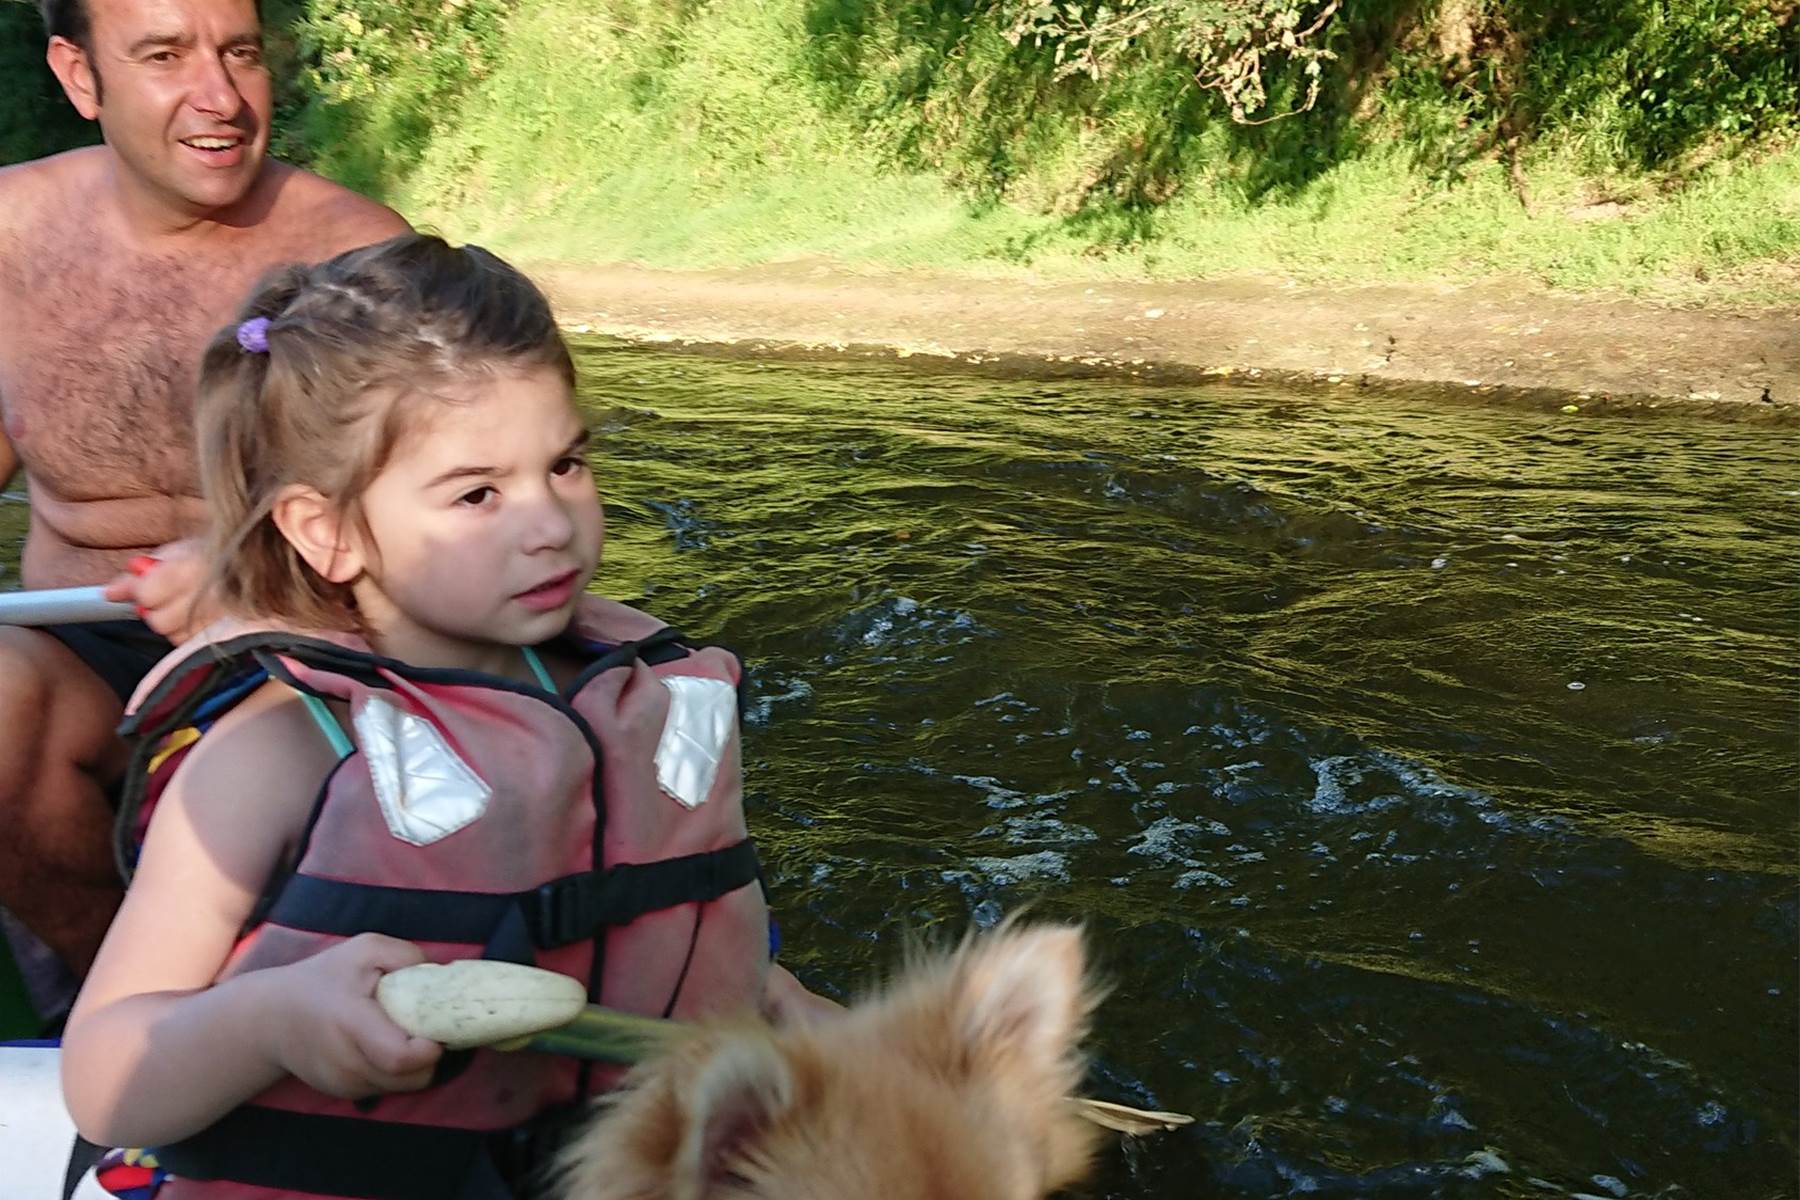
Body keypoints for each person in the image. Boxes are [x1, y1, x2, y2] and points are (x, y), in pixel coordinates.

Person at [61, 234, 828, 1199]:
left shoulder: (644, 702)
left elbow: (708, 954)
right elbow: (102, 1079)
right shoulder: (278, 749)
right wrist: (273, 1020)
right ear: (328, 532)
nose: (549, 521)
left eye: (566, 464)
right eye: (478, 493)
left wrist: (790, 1016)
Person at [0, 0, 409, 988]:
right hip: (80, 656)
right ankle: (121, 1005)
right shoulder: (9, 234)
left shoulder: (360, 254)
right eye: (164, 55)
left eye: (238, 53)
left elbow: (429, 527)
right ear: (79, 72)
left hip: (304, 649)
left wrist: (245, 584)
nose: (217, 96)